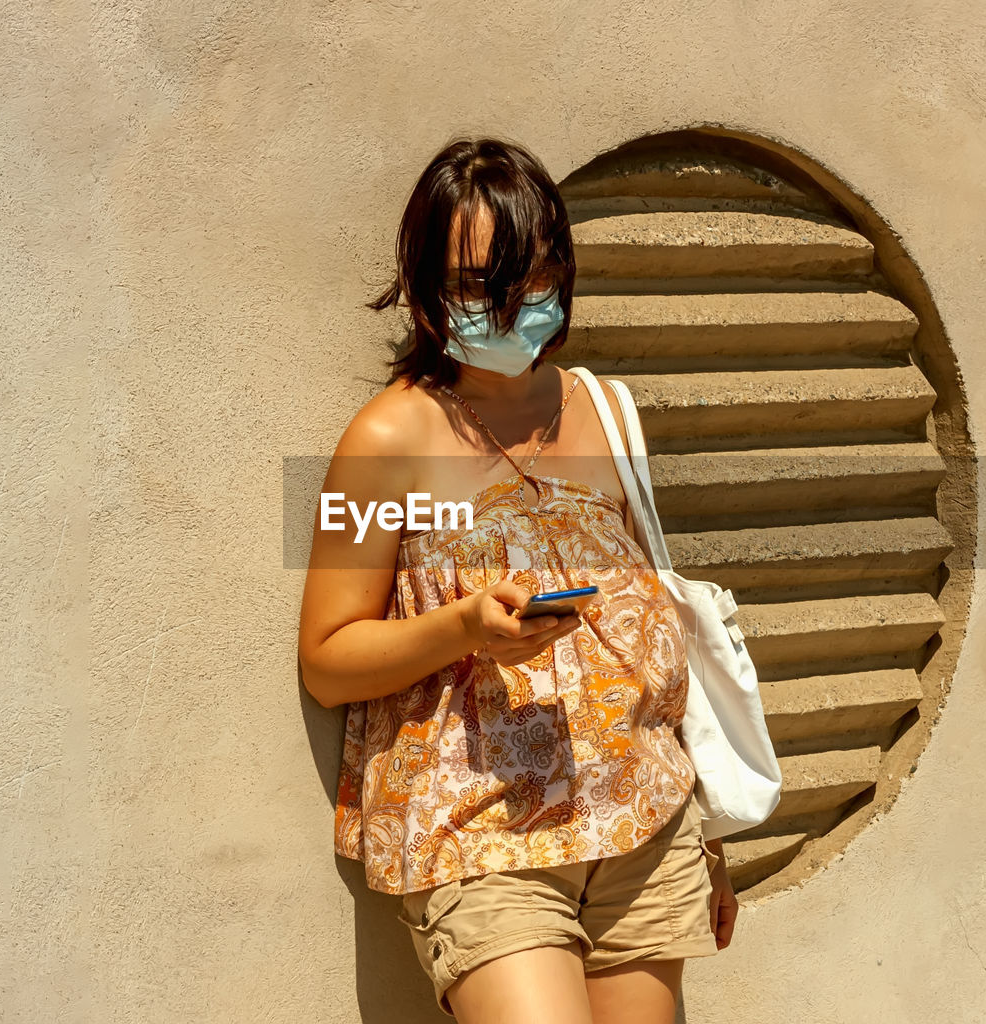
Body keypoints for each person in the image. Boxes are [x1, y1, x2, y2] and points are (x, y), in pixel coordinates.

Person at [298, 136, 737, 1024]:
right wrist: (464, 628)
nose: (505, 305)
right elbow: (328, 656)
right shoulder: (385, 442)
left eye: (529, 276)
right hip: (480, 838)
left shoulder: (606, 411)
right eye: (472, 283)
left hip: (643, 818)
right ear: (425, 291)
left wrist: (708, 840)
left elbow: (649, 617)